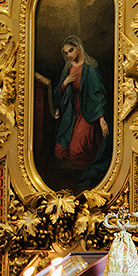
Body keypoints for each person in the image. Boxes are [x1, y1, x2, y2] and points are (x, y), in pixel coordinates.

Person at [39, 37, 111, 188]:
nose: (69, 55)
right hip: (71, 112)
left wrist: (101, 119)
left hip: (88, 111)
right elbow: (58, 94)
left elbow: (98, 95)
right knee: (59, 151)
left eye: (71, 50)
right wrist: (65, 83)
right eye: (66, 53)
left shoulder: (90, 67)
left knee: (77, 151)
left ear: (78, 47)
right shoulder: (68, 68)